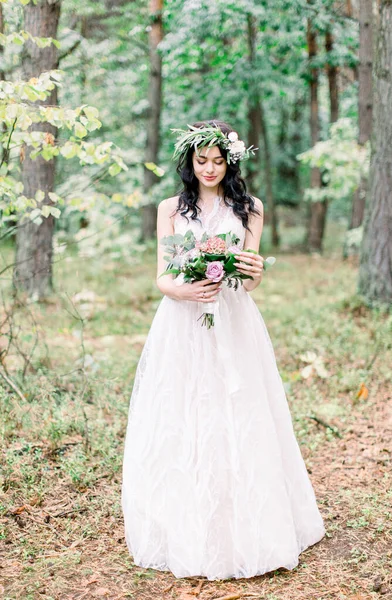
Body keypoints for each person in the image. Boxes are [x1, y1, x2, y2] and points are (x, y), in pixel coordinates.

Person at [121, 119, 325, 581]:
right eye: (201, 160)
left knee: (241, 410)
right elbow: (161, 276)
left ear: (230, 161)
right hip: (183, 320)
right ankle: (189, 521)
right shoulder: (169, 208)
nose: (209, 169)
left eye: (217, 161)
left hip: (233, 319)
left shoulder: (250, 208)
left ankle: (247, 522)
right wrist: (184, 291)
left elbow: (251, 279)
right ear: (189, 161)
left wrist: (252, 270)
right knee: (188, 411)